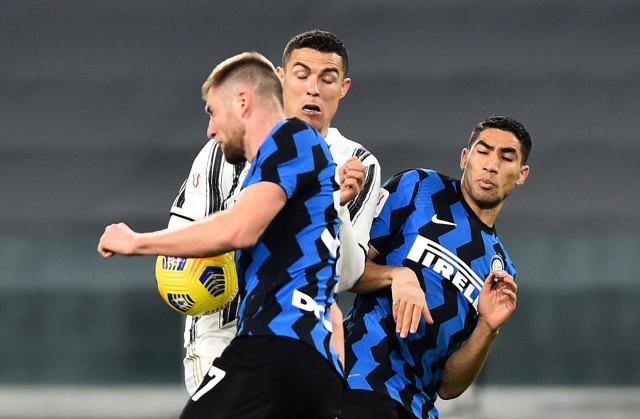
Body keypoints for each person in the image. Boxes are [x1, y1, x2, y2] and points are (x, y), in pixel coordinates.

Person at [98, 51, 346, 418]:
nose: (210, 130)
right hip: (314, 365)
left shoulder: (292, 136)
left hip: (275, 346)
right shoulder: (289, 184)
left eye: (213, 112)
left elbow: (238, 228)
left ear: (243, 101)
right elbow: (333, 311)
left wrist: (137, 242)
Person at [169, 29, 381, 395]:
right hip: (223, 334)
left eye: (326, 79)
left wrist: (339, 207)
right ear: (281, 79)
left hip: (301, 338)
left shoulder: (357, 163)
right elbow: (180, 246)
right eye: (301, 76)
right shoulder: (228, 148)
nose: (313, 89)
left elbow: (346, 277)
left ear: (343, 88)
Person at [340, 116, 532, 419]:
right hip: (361, 379)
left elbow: (449, 386)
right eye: (483, 151)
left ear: (521, 174)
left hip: (418, 407)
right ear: (465, 158)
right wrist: (397, 275)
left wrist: (488, 327)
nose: (492, 165)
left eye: (506, 157)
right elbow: (345, 270)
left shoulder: (500, 268)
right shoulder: (419, 188)